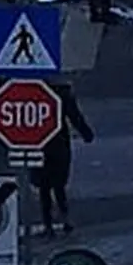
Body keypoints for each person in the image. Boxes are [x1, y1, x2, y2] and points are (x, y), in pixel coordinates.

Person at [32, 81, 94, 237]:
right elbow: (74, 115)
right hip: (57, 144)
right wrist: (86, 133)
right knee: (57, 185)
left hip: (38, 143)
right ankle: (64, 219)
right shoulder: (61, 93)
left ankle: (49, 224)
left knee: (44, 188)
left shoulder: (33, 91)